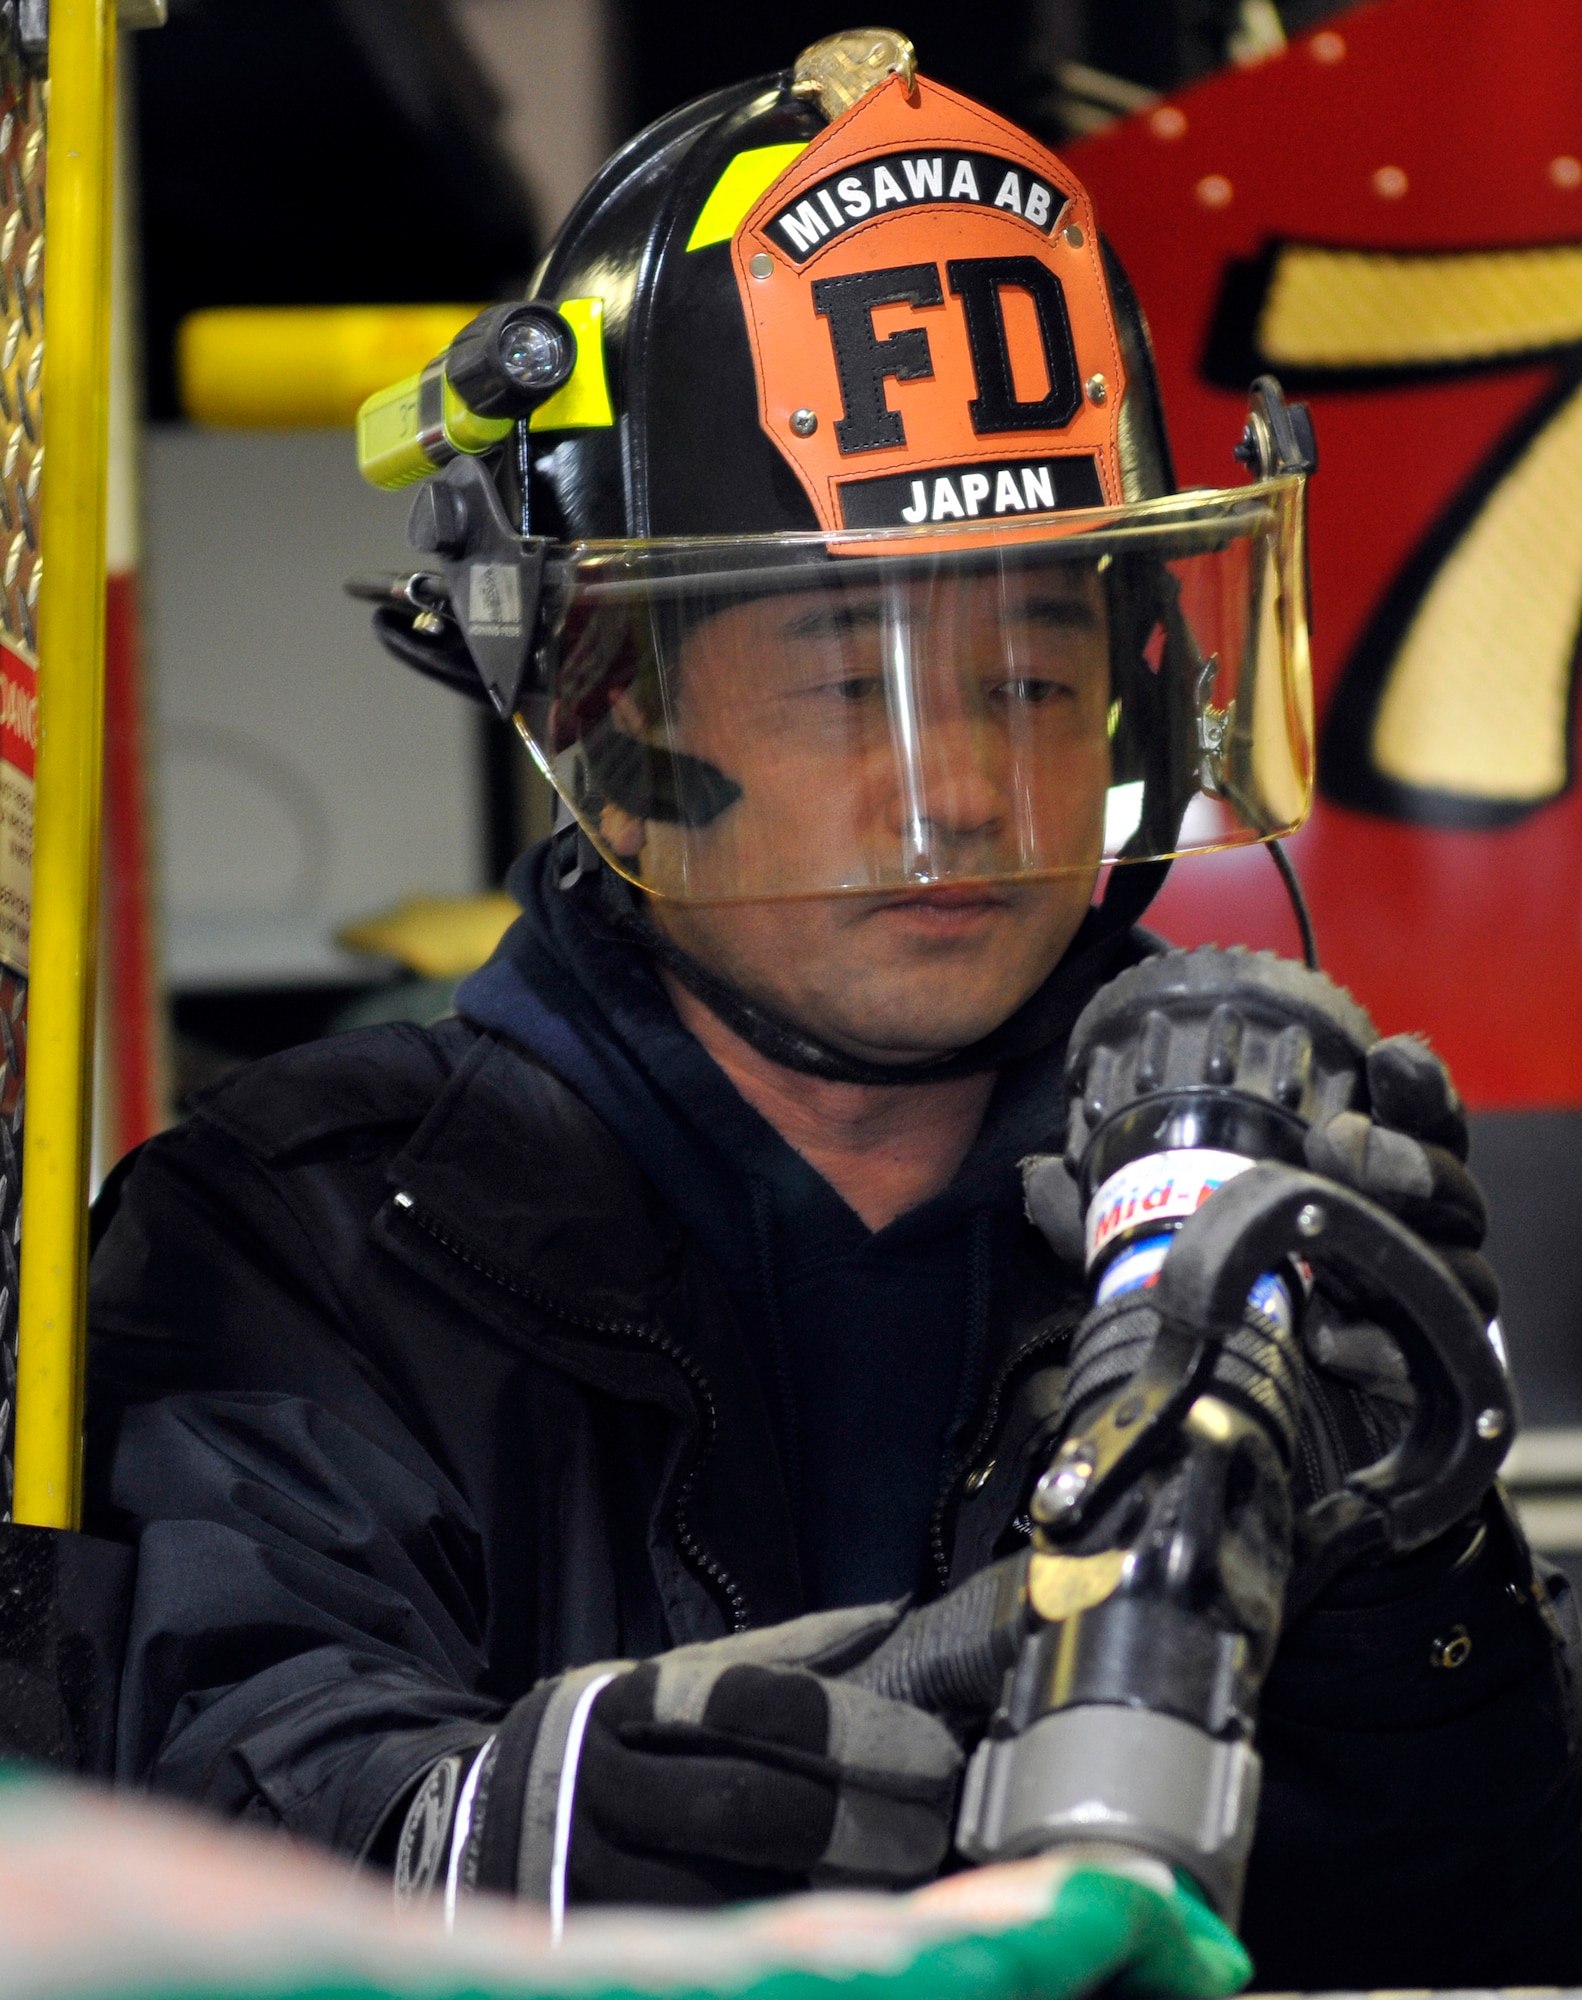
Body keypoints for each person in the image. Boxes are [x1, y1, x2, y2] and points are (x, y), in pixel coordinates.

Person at [86, 28, 1582, 1991]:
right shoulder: (297, 1242)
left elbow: (1468, 1927)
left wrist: (1413, 1587)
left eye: (1025, 679)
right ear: (605, 706)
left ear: (1139, 695)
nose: (949, 781)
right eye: (832, 682)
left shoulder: (1254, 1203)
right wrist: (503, 1838)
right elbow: (176, 1800)